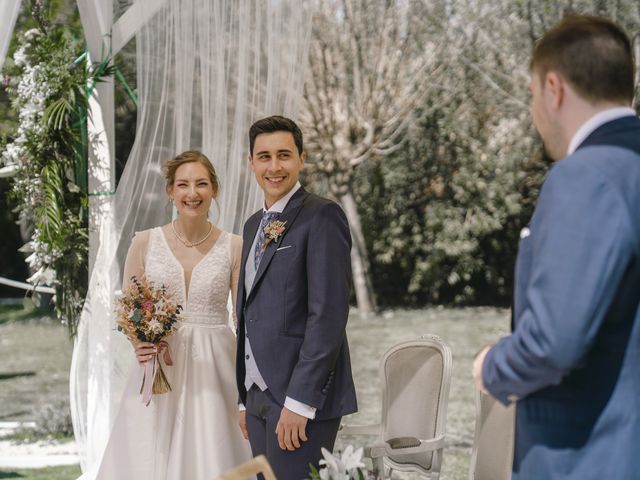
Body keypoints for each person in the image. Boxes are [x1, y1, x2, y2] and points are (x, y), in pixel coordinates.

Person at [473, 15, 640, 479]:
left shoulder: (585, 176)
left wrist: (492, 365)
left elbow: (553, 343)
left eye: (531, 96)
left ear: (553, 88)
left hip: (591, 456)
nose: (534, 111)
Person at [89, 151, 251, 479]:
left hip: (216, 366)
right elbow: (129, 308)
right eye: (183, 185)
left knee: (214, 449)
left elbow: (244, 317)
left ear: (214, 190)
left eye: (202, 184)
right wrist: (140, 343)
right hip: (161, 365)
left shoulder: (235, 246)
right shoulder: (145, 242)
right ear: (171, 192)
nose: (193, 193)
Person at [236, 115, 358, 479]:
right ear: (251, 163)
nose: (274, 167)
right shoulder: (251, 225)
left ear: (302, 159)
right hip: (257, 393)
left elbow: (328, 316)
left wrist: (300, 402)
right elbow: (250, 310)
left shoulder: (322, 216)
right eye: (265, 157)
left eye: (284, 155)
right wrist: (244, 398)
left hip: (297, 399)